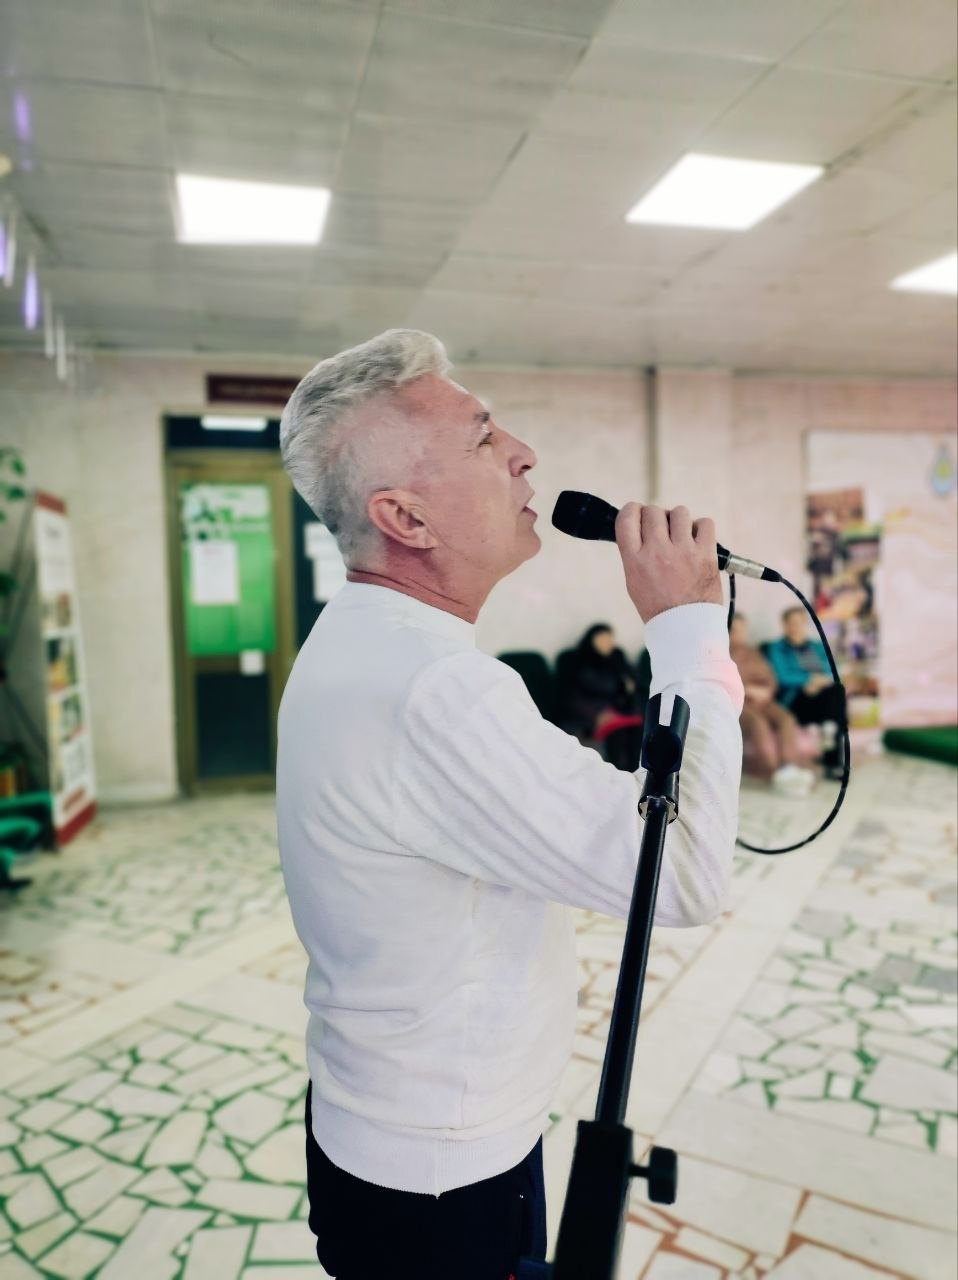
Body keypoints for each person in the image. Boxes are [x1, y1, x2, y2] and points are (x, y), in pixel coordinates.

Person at [276, 329, 744, 1280]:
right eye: (485, 437)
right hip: (443, 1178)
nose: (525, 453)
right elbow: (683, 876)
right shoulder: (434, 689)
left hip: (388, 1129)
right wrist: (689, 630)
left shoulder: (362, 638)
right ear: (405, 517)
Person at [728, 614, 814, 795]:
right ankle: (774, 772)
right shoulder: (722, 654)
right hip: (739, 703)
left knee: (786, 719)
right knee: (759, 724)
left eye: (743, 629)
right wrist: (747, 690)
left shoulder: (754, 653)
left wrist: (766, 690)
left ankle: (790, 767)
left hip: (764, 699)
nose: (740, 634)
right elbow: (724, 683)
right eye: (736, 630)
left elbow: (771, 677)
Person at [766, 606, 846, 779]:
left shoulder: (816, 646)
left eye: (799, 622)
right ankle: (831, 754)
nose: (795, 626)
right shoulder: (777, 648)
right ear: (784, 624)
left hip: (821, 700)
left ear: (804, 624)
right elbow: (781, 676)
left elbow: (831, 671)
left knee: (837, 691)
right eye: (791, 622)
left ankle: (829, 734)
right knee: (834, 710)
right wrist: (808, 680)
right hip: (795, 701)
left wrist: (820, 681)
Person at [560, 623, 644, 770]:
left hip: (620, 712)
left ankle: (636, 773)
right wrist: (598, 714)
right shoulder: (576, 661)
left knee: (638, 731)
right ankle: (620, 773)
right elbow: (572, 697)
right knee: (617, 735)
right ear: (591, 639)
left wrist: (628, 688)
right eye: (602, 639)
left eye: (609, 639)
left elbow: (631, 689)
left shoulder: (617, 660)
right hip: (591, 716)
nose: (607, 643)